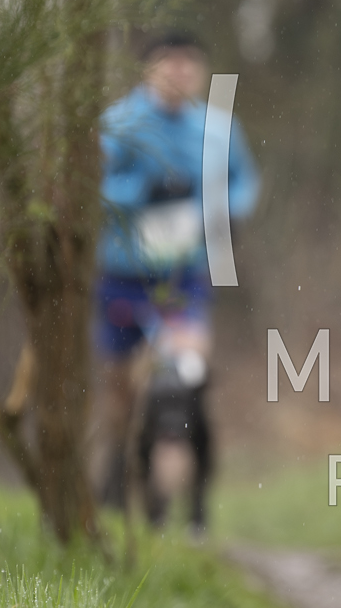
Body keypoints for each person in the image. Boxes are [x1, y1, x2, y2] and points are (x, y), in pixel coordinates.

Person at [94, 30, 260, 536]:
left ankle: (182, 510)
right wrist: (143, 191)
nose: (180, 72)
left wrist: (214, 207)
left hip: (184, 275)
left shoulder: (218, 130)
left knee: (181, 386)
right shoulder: (118, 125)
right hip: (123, 275)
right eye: (169, 62)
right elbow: (94, 185)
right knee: (123, 394)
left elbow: (245, 184)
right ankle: (116, 480)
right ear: (148, 69)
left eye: (190, 63)